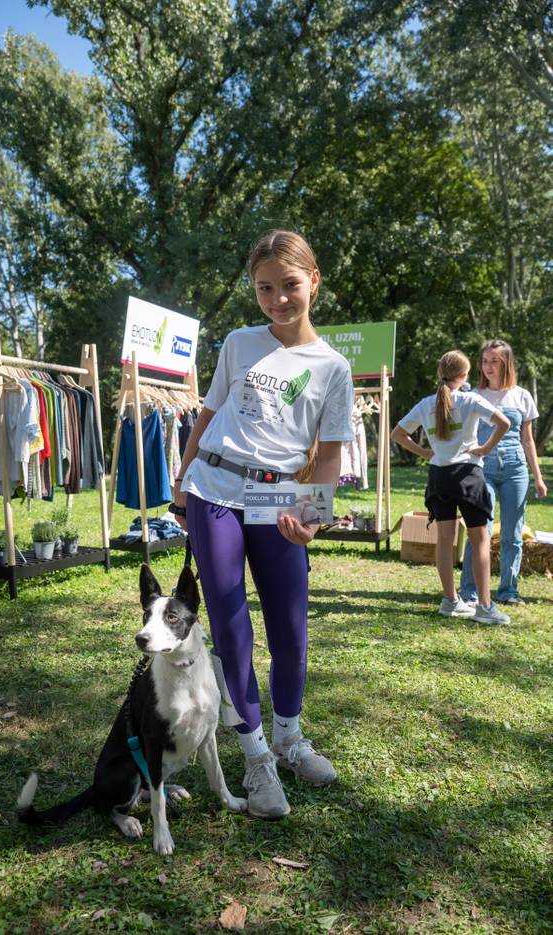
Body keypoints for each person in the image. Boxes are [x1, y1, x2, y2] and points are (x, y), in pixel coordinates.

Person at [171, 229, 354, 820]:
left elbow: (328, 456)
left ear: (314, 281)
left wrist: (315, 518)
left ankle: (289, 738)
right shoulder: (238, 344)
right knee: (229, 620)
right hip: (214, 487)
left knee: (290, 626)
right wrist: (183, 474)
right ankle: (255, 756)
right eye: (265, 289)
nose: (278, 299)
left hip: (276, 498)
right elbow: (208, 412)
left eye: (290, 286)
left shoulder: (332, 367)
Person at [391, 350, 511, 625]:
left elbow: (398, 433)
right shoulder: (470, 400)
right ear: (465, 375)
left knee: (444, 541)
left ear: (440, 373)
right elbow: (503, 423)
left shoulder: (425, 404)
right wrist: (484, 449)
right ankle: (485, 606)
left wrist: (423, 452)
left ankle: (450, 600)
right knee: (479, 541)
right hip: (468, 475)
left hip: (439, 476)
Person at [460, 339, 548, 606]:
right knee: (480, 529)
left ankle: (508, 590)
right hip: (482, 469)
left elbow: (528, 440)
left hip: (515, 470)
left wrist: (538, 477)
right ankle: (469, 590)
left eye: (494, 361)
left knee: (513, 533)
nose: (488, 366)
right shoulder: (474, 395)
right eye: (484, 361)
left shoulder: (522, 396)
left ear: (506, 363)